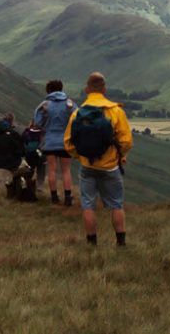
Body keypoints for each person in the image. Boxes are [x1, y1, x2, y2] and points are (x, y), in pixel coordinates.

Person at [64, 72, 132, 247]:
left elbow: (69, 144)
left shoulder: (78, 113)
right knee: (116, 204)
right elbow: (126, 142)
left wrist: (82, 156)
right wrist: (118, 157)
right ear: (104, 89)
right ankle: (121, 243)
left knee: (88, 205)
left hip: (87, 166)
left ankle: (92, 243)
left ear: (87, 90)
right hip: (110, 167)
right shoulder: (116, 111)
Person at [33, 80, 76, 206]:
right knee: (66, 170)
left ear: (49, 90)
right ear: (61, 89)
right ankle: (68, 198)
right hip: (65, 142)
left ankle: (54, 198)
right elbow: (76, 120)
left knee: (52, 169)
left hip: (50, 141)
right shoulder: (70, 104)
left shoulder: (45, 105)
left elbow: (37, 124)